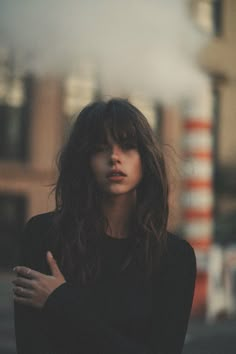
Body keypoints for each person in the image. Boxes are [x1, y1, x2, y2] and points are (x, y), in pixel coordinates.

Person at [13, 98, 196, 354]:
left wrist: (62, 302)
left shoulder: (175, 257)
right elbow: (30, 346)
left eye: (128, 146)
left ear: (145, 158)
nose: (114, 157)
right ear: (83, 160)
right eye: (100, 148)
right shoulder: (43, 236)